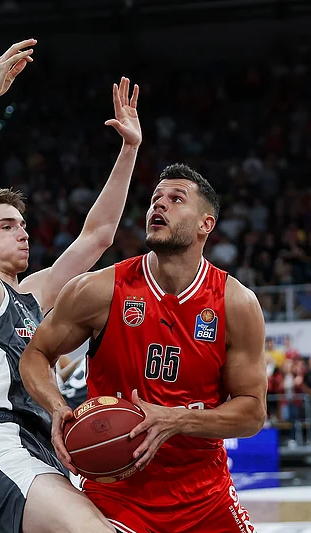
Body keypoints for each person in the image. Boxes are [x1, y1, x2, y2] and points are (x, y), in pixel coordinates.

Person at [0, 38, 141, 533]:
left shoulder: (37, 294)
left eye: (23, 224)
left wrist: (130, 149)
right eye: (6, 225)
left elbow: (99, 236)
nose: (22, 231)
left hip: (43, 448)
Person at [21, 163, 267, 533]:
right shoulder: (98, 291)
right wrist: (57, 407)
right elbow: (35, 355)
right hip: (116, 493)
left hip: (204, 494)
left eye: (175, 199)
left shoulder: (236, 304)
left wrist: (176, 420)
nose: (159, 205)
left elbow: (251, 413)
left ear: (206, 224)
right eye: (156, 199)